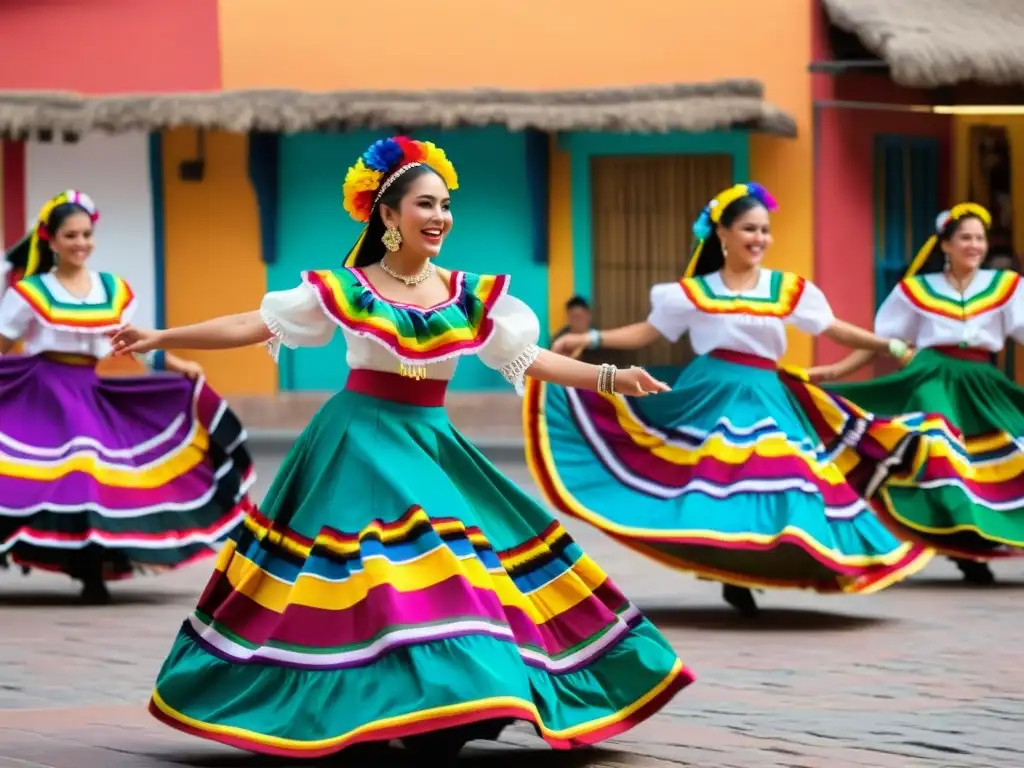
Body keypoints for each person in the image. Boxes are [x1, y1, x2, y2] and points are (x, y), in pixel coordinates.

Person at [109, 136, 692, 759]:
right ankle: (382, 705)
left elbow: (529, 358)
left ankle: (447, 703)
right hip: (357, 443)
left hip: (430, 442)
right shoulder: (346, 288)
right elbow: (254, 324)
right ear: (387, 215)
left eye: (444, 205)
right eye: (423, 204)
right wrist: (162, 335)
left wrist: (611, 376)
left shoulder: (469, 295)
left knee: (451, 571)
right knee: (375, 577)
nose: (439, 216)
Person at [527, 182, 934, 617]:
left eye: (764, 230)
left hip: (765, 392)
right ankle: (729, 569)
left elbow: (831, 328)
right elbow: (648, 333)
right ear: (722, 234)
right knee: (719, 480)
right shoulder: (692, 292)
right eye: (748, 229)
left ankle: (778, 557)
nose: (759, 238)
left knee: (788, 472)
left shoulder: (788, 289)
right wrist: (590, 337)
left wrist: (886, 345)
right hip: (710, 393)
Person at [0, 190, 255, 603]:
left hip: (88, 389)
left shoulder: (110, 288)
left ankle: (91, 572)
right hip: (41, 393)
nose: (81, 243)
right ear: (51, 239)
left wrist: (174, 365)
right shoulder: (30, 292)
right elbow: (3, 345)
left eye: (86, 234)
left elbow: (131, 344)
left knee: (93, 476)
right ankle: (74, 566)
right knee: (56, 476)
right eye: (71, 236)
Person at [811, 203, 1024, 585]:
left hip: (982, 381)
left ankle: (972, 545)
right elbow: (884, 340)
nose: (975, 245)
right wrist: (835, 371)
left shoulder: (1006, 286)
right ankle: (958, 549)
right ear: (945, 244)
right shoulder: (916, 290)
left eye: (980, 238)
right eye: (966, 238)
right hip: (931, 375)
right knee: (941, 448)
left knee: (1009, 449)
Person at [552, 295, 602, 363]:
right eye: (574, 317)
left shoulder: (598, 340)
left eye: (580, 317)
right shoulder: (560, 340)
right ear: (568, 319)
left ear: (589, 316)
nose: (577, 322)